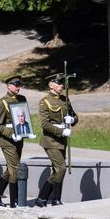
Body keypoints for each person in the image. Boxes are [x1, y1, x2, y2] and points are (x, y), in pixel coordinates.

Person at [36, 73, 79, 207]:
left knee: (56, 171)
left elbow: (74, 115)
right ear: (51, 85)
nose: (62, 86)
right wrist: (61, 131)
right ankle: (56, 199)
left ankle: (42, 198)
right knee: (61, 168)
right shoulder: (45, 102)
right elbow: (44, 124)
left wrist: (72, 120)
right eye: (59, 83)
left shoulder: (65, 99)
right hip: (51, 140)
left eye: (62, 84)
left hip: (62, 141)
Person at [0, 75, 31, 208]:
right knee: (14, 170)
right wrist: (12, 134)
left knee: (10, 168)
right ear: (8, 86)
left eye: (19, 84)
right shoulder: (2, 103)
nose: (17, 87)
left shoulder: (22, 99)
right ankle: (14, 201)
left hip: (19, 139)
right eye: (15, 84)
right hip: (8, 141)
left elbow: (24, 118)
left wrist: (27, 131)